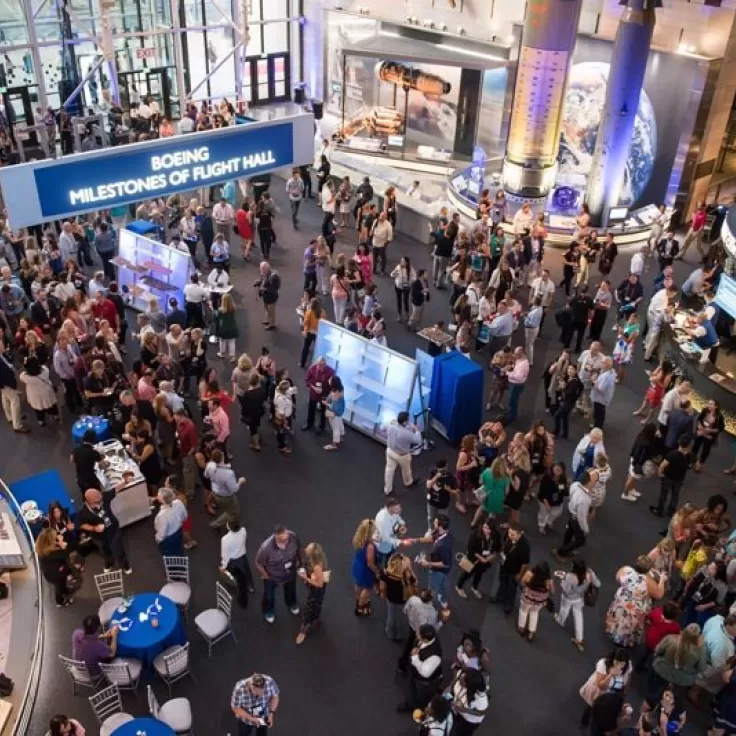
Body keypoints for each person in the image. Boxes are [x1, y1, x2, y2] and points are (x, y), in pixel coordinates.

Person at [605, 556, 666, 648]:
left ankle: (614, 633)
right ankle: (624, 641)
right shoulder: (647, 581)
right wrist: (662, 580)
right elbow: (659, 594)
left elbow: (618, 578)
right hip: (635, 608)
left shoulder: (626, 570)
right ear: (648, 569)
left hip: (622, 601)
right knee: (629, 624)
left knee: (619, 617)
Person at [77, 488, 131, 573]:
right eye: (97, 498)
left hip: (113, 531)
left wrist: (125, 481)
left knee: (119, 550)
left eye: (99, 495)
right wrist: (94, 528)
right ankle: (109, 563)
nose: (100, 497)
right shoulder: (82, 512)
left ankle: (125, 565)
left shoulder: (103, 496)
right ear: (90, 501)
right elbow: (82, 525)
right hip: (99, 537)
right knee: (105, 551)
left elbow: (115, 489)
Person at [255, 525, 302, 624]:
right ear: (276, 536)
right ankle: (268, 612)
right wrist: (266, 576)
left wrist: (298, 560)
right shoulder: (265, 548)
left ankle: (291, 603)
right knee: (269, 596)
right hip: (272, 576)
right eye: (282, 540)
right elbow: (258, 563)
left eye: (287, 538)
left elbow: (298, 549)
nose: (286, 541)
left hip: (290, 572)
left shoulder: (293, 536)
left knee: (291, 589)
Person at [579, 649, 634, 728]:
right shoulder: (603, 664)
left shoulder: (628, 666)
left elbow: (628, 679)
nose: (619, 666)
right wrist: (611, 674)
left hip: (612, 694)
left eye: (622, 664)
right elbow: (601, 685)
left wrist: (624, 692)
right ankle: (585, 722)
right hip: (599, 691)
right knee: (591, 707)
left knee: (603, 714)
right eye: (617, 662)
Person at [555, 558, 601, 652]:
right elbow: (598, 584)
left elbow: (566, 590)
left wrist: (563, 581)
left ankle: (560, 621)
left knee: (564, 609)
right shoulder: (589, 573)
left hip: (568, 598)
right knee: (578, 615)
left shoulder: (570, 577)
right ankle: (579, 638)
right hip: (580, 598)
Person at [397, 624, 443, 713]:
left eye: (418, 633)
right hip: (414, 673)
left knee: (418, 695)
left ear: (425, 639)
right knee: (413, 687)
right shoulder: (427, 640)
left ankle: (412, 705)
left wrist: (415, 657)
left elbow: (425, 673)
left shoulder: (434, 657)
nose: (416, 633)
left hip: (422, 682)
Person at [553, 470, 594, 561]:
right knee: (580, 540)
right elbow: (581, 517)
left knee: (570, 531)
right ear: (588, 482)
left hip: (570, 511)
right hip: (576, 517)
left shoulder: (575, 485)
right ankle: (561, 551)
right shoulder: (584, 499)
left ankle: (565, 545)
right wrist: (585, 529)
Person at [490, 522, 530, 614]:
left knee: (512, 588)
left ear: (520, 533)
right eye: (509, 533)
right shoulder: (508, 536)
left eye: (513, 534)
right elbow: (504, 545)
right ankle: (499, 597)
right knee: (502, 582)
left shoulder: (525, 546)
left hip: (514, 571)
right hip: (504, 566)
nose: (510, 535)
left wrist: (520, 574)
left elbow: (525, 563)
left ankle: (509, 604)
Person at [650, 437, 692, 518]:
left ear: (679, 443)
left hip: (668, 477)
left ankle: (659, 510)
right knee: (675, 495)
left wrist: (659, 473)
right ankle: (671, 512)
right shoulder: (689, 456)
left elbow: (662, 465)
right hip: (679, 479)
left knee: (664, 494)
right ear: (688, 446)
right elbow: (693, 466)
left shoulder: (672, 454)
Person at [418, 514, 453, 610]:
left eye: (436, 522)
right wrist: (418, 540)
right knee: (443, 585)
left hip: (439, 571)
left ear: (440, 526)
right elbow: (433, 538)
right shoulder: (444, 533)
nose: (434, 523)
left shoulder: (443, 545)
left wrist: (428, 563)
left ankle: (431, 604)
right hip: (442, 570)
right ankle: (443, 600)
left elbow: (445, 563)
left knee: (433, 587)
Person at [296, 542, 328, 645]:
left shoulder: (317, 567)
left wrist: (305, 578)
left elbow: (319, 584)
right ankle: (315, 618)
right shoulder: (313, 560)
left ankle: (303, 630)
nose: (305, 548)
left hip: (316, 589)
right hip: (316, 585)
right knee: (317, 604)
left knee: (310, 606)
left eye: (308, 548)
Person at [384, 411, 422, 495]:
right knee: (406, 470)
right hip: (402, 455)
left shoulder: (391, 425)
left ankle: (388, 489)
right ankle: (408, 482)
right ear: (404, 421)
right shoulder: (407, 434)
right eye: (408, 420)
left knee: (389, 471)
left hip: (390, 451)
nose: (409, 421)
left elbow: (383, 427)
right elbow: (418, 440)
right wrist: (416, 430)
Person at [220, 518, 255, 609]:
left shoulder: (225, 539)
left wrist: (223, 566)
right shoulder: (243, 531)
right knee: (247, 572)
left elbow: (225, 554)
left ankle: (242, 601)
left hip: (233, 561)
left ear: (229, 526)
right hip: (243, 557)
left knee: (239, 581)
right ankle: (250, 586)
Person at [36, 526, 75, 607]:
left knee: (62, 582)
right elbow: (65, 554)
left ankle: (65, 591)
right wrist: (61, 543)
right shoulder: (50, 552)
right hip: (54, 574)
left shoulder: (42, 548)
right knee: (58, 587)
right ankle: (60, 602)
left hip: (55, 570)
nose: (57, 536)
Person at [351, 518, 380, 616]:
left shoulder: (358, 539)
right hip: (366, 571)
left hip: (358, 566)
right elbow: (370, 564)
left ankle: (358, 599)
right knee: (367, 589)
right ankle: (360, 606)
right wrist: (377, 571)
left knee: (358, 584)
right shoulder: (370, 546)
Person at [20, 356, 59, 426]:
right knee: (51, 405)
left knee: (38, 408)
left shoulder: (25, 377)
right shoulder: (45, 370)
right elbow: (44, 368)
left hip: (34, 395)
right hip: (47, 392)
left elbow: (21, 375)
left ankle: (41, 420)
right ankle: (55, 415)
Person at [449, 667, 489, 735]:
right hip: (456, 711)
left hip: (468, 721)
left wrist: (464, 710)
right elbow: (453, 684)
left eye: (463, 680)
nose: (460, 679)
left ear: (470, 685)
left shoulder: (480, 699)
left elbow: (481, 712)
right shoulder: (461, 674)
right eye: (461, 677)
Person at [691, 399, 725, 472]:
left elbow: (720, 428)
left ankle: (700, 465)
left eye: (711, 404)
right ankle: (692, 461)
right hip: (700, 433)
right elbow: (699, 419)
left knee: (705, 451)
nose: (708, 405)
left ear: (716, 406)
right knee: (695, 447)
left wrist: (710, 430)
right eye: (708, 403)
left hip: (709, 436)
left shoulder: (719, 416)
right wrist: (699, 425)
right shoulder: (704, 410)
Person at [153, 486, 187, 556]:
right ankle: (181, 562)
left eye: (159, 495)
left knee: (169, 555)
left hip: (168, 539)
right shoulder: (178, 502)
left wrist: (157, 539)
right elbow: (185, 516)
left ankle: (172, 566)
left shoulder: (162, 515)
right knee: (179, 549)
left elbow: (162, 534)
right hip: (179, 532)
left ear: (162, 499)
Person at [537, 461, 569, 533]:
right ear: (553, 468)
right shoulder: (547, 477)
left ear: (562, 471)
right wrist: (546, 503)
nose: (557, 472)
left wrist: (564, 490)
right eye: (556, 469)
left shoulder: (562, 478)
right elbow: (542, 492)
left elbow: (564, 490)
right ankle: (541, 525)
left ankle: (549, 521)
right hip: (545, 500)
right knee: (543, 513)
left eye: (559, 470)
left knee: (557, 512)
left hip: (557, 500)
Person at [590, 357, 616, 429]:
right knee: (600, 414)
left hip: (600, 399)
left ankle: (597, 428)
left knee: (598, 415)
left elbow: (601, 389)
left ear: (606, 364)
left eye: (603, 363)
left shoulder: (606, 376)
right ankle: (597, 425)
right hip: (604, 398)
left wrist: (594, 381)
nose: (601, 363)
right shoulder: (611, 371)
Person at [323, 375, 345, 451]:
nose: (329, 380)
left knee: (335, 428)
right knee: (340, 423)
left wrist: (326, 403)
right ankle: (341, 436)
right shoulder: (341, 389)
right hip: (340, 411)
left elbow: (333, 405)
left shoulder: (335, 393)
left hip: (333, 413)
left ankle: (334, 444)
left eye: (330, 380)